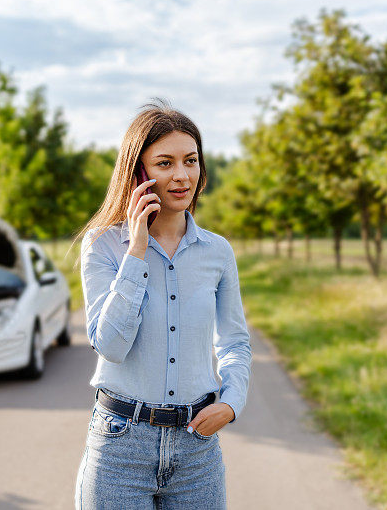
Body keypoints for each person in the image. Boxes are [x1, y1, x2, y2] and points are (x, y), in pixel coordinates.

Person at [72, 100, 252, 509]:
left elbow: (235, 343)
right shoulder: (103, 245)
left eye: (190, 161)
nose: (181, 175)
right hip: (120, 449)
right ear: (138, 172)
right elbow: (111, 346)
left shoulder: (217, 252)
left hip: (196, 451)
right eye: (165, 163)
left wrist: (231, 402)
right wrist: (136, 252)